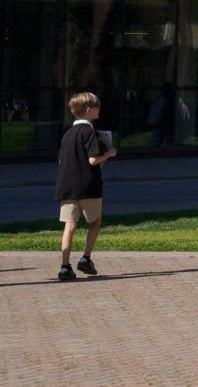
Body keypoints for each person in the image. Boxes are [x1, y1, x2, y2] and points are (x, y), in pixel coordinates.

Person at [56, 91, 117, 280]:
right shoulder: (90, 132)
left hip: (67, 186)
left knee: (70, 225)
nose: (99, 110)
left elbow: (61, 160)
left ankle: (65, 266)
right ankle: (85, 258)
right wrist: (109, 153)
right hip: (88, 185)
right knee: (95, 223)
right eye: (97, 107)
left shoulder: (67, 134)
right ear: (89, 110)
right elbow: (93, 159)